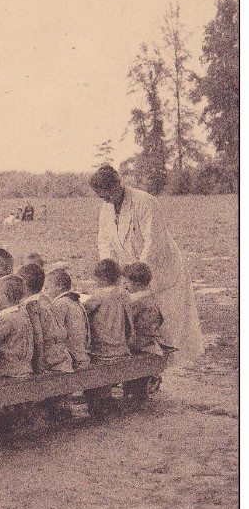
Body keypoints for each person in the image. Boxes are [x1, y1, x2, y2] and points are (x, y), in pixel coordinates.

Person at [90, 164, 203, 364]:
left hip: (159, 269)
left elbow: (153, 242)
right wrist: (108, 275)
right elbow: (104, 243)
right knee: (138, 321)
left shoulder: (145, 202)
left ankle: (156, 368)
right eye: (102, 197)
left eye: (107, 195)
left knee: (162, 323)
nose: (106, 200)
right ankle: (146, 368)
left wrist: (136, 275)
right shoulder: (106, 208)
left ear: (117, 186)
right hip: (132, 271)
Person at [17, 263, 73, 374]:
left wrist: (39, 365)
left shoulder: (31, 305)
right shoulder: (46, 299)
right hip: (63, 355)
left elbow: (38, 337)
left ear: (23, 286)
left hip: (50, 361)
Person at [122, 261, 166, 399]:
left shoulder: (135, 301)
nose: (125, 286)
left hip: (139, 342)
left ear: (135, 283)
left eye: (127, 283)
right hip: (152, 339)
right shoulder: (151, 295)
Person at [0, 275, 35, 379]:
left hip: (9, 367)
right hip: (23, 365)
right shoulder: (21, 312)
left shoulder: (8, 318)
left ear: (6, 296)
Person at [83, 258, 131, 361]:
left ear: (103, 279)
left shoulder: (99, 295)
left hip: (103, 350)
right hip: (121, 347)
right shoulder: (123, 294)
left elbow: (83, 312)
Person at [45, 268, 91, 370]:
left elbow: (55, 333)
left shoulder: (60, 303)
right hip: (82, 354)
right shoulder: (75, 301)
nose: (46, 292)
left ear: (60, 286)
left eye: (47, 288)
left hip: (73, 358)